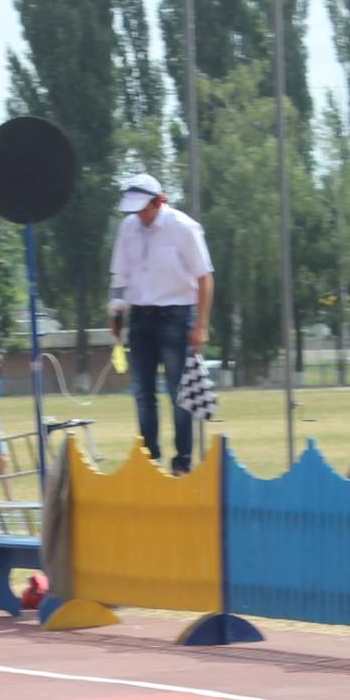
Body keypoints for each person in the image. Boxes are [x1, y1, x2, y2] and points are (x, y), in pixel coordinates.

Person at [107, 172, 214, 476]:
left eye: (144, 208)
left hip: (176, 317)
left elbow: (205, 278)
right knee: (142, 392)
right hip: (140, 317)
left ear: (158, 201)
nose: (139, 214)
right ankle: (150, 459)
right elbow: (119, 275)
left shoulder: (183, 228)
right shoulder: (128, 228)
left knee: (179, 393)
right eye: (135, 209)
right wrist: (116, 312)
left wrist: (201, 325)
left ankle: (182, 461)